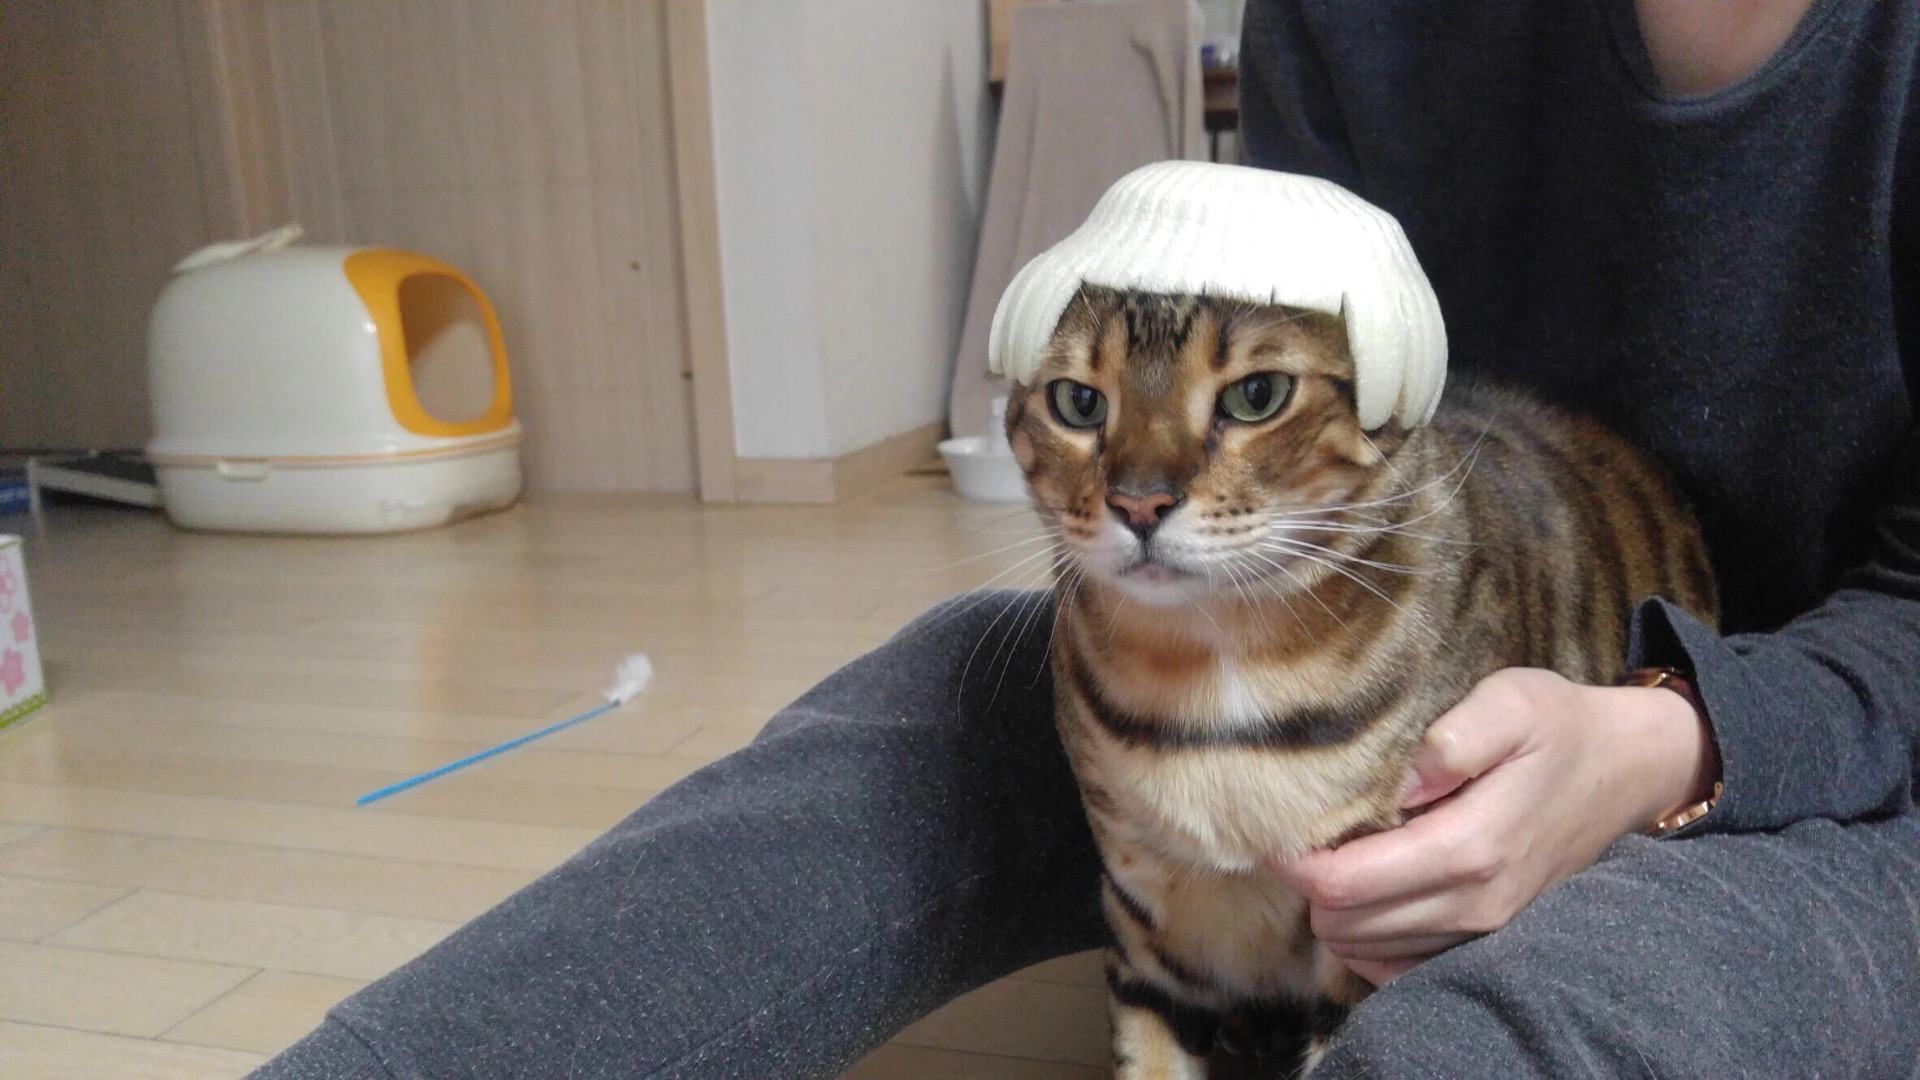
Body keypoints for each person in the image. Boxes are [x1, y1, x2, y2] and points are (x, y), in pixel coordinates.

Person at [254, 1, 1920, 1076]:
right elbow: (1285, 418)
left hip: (1869, 750)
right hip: (1403, 595)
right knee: (913, 729)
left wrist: (1674, 740)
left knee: (1546, 1006)